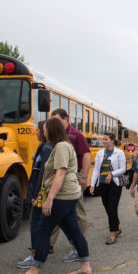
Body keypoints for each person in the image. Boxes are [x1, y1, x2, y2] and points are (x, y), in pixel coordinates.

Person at [12, 118, 92, 274]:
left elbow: (60, 173)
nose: (42, 131)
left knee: (43, 231)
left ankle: (33, 273)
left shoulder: (62, 146)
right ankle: (85, 266)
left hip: (61, 196)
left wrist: (49, 199)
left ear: (52, 130)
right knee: (74, 231)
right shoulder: (62, 145)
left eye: (45, 128)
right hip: (68, 195)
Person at [49, 109, 91, 263]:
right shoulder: (54, 136)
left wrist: (84, 176)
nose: (53, 123)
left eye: (57, 120)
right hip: (57, 178)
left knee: (78, 212)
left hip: (72, 177)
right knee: (54, 211)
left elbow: (86, 155)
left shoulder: (76, 135)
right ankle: (48, 244)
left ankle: (80, 245)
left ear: (66, 120)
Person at [17, 121, 52, 269]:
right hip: (39, 193)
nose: (36, 132)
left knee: (36, 225)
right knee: (64, 224)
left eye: (38, 130)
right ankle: (79, 251)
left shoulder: (46, 148)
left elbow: (42, 174)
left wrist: (36, 193)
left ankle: (35, 256)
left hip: (40, 194)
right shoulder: (42, 147)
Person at [90, 132, 126, 245]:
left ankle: (112, 233)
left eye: (105, 139)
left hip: (114, 184)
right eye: (103, 139)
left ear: (112, 140)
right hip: (102, 184)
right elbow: (96, 169)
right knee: (108, 208)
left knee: (112, 208)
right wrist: (92, 184)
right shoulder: (100, 153)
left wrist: (112, 174)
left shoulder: (119, 152)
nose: (103, 141)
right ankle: (117, 226)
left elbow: (123, 169)